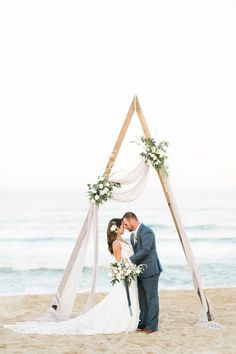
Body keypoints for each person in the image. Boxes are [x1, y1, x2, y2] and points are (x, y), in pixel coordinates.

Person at [4, 218, 140, 335]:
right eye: (122, 225)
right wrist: (127, 271)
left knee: (128, 298)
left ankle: (130, 318)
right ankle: (124, 320)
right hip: (127, 275)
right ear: (115, 229)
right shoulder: (116, 244)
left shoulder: (124, 240)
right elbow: (119, 262)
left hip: (131, 274)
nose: (124, 226)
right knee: (121, 299)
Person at [122, 211, 163, 333]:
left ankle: (152, 326)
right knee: (142, 299)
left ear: (132, 220)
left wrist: (128, 260)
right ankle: (143, 324)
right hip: (139, 271)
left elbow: (145, 250)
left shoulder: (147, 232)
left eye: (125, 224)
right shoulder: (132, 235)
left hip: (150, 270)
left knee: (151, 298)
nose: (125, 227)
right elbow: (135, 253)